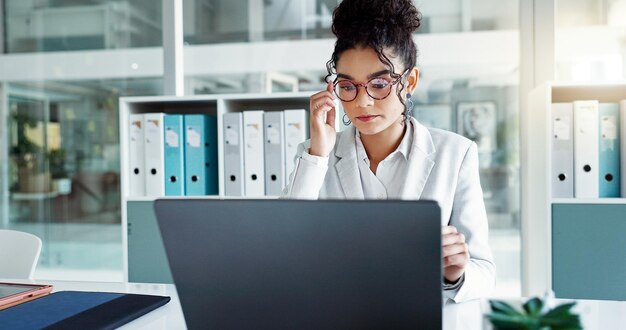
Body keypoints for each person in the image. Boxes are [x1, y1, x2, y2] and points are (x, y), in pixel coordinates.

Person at [282, 0, 495, 317]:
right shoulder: (316, 155)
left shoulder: (456, 153)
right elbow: (283, 252)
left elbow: (484, 274)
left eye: (379, 84)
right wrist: (317, 154)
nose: (363, 101)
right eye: (348, 86)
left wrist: (455, 273)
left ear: (409, 82)